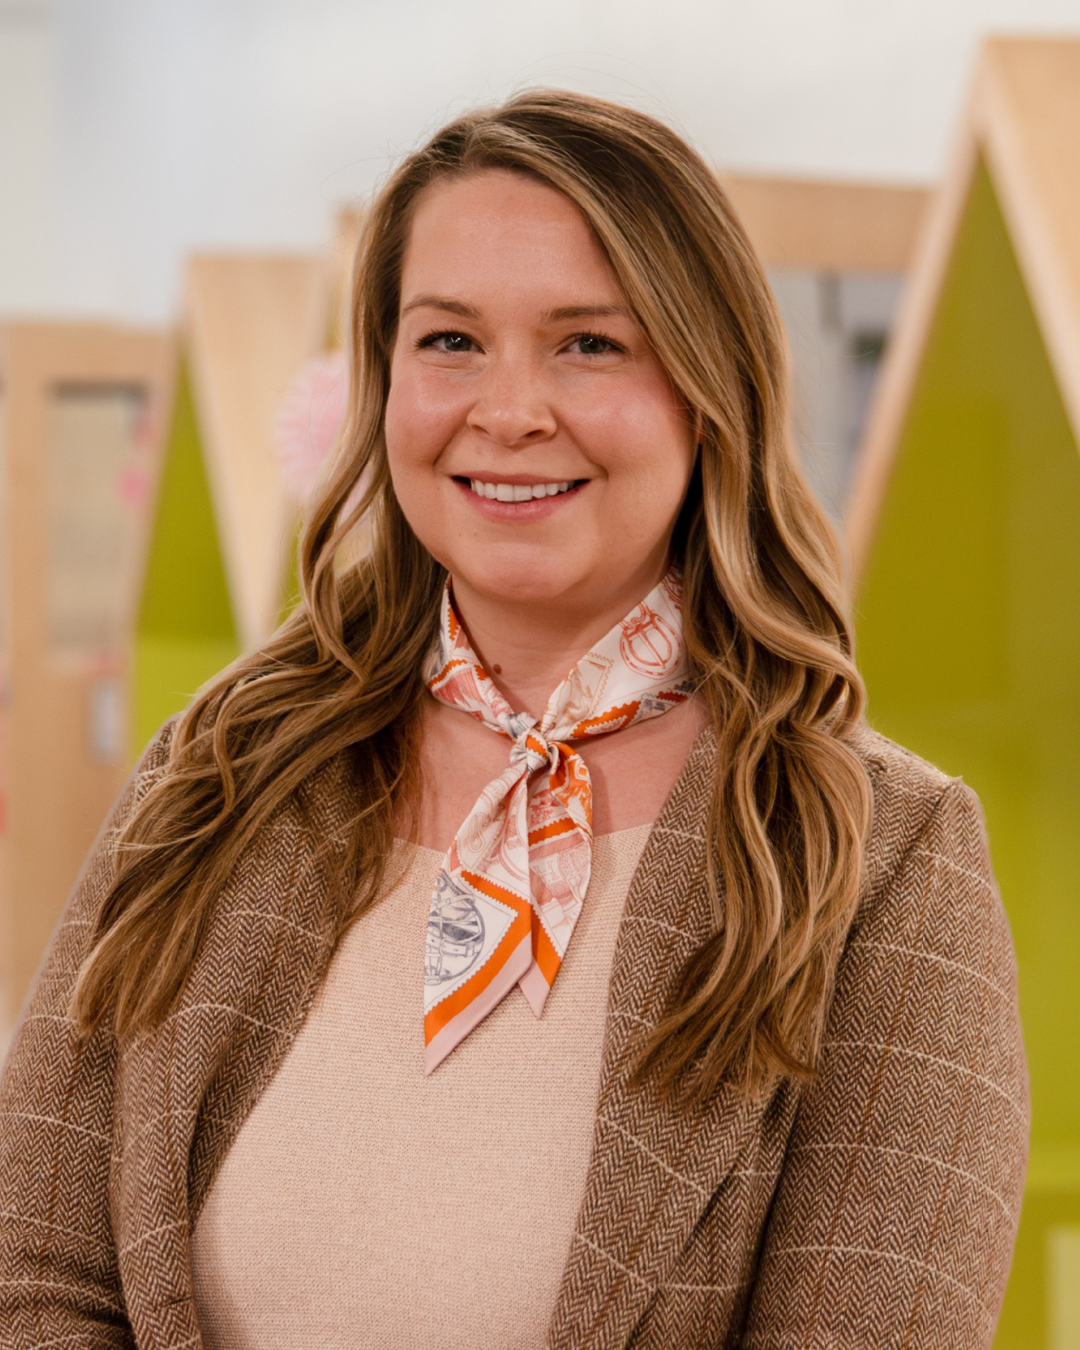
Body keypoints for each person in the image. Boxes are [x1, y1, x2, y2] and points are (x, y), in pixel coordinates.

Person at [0, 91, 1027, 1349]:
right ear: (383, 380)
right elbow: (34, 1271)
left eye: (589, 344)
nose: (509, 409)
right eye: (449, 342)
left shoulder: (884, 857)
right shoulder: (215, 776)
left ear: (709, 393)